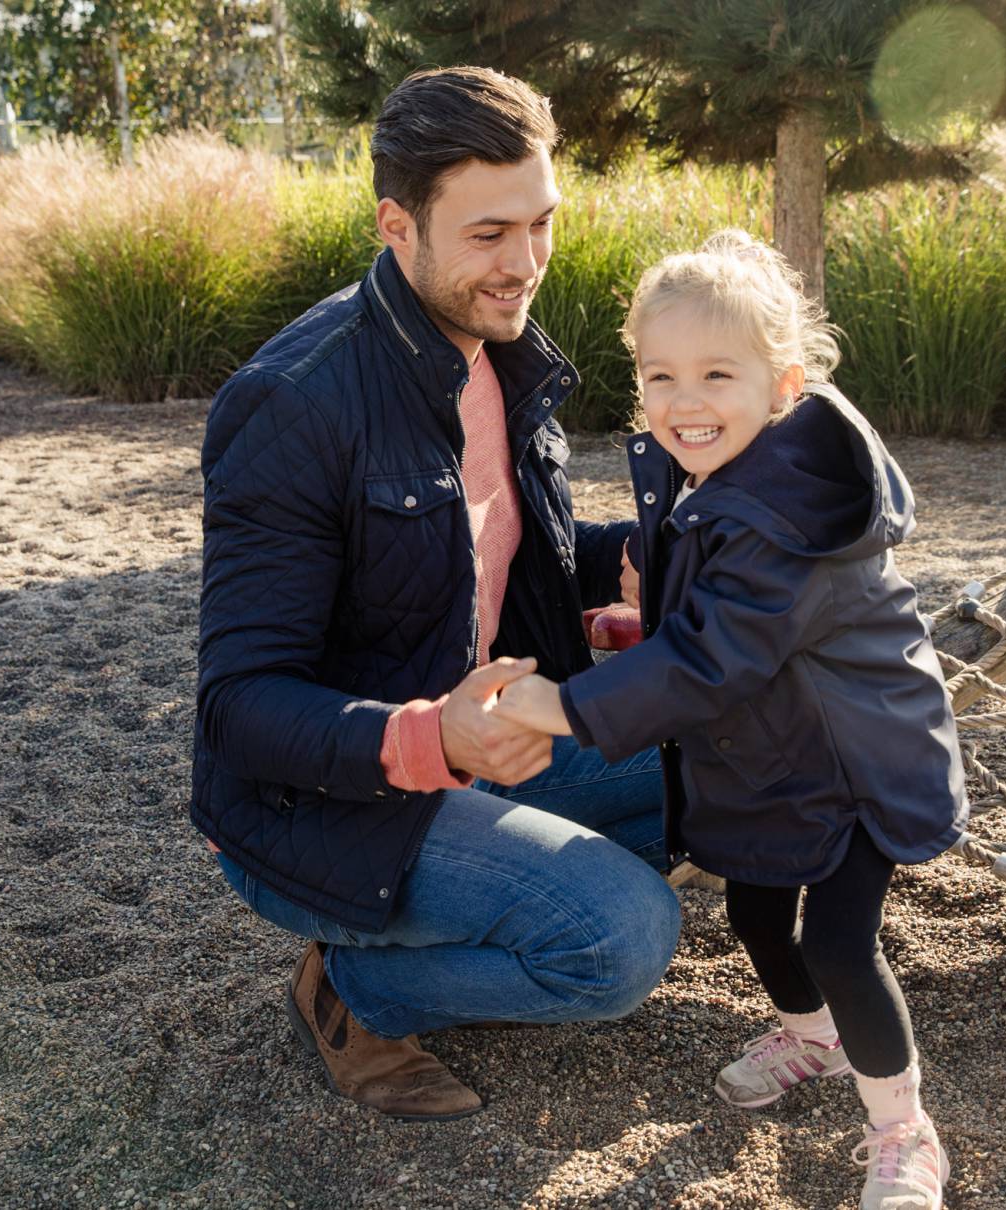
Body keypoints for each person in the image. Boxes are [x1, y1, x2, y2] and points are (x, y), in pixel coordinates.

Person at [191, 66, 680, 1123]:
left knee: (747, 739)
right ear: (395, 226)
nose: (525, 264)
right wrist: (437, 740)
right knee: (623, 936)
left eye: (541, 224)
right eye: (488, 234)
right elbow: (239, 707)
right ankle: (357, 988)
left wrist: (625, 571)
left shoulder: (499, 351)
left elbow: (499, 552)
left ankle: (497, 885)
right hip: (324, 811)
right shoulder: (292, 403)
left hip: (481, 745)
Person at [493, 230, 968, 1209]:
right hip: (779, 748)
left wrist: (567, 703)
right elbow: (710, 614)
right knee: (753, 907)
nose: (685, 401)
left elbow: (715, 656)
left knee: (839, 940)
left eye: (718, 373)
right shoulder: (712, 475)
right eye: (660, 375)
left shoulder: (793, 516)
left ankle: (902, 1128)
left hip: (856, 760)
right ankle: (814, 1038)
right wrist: (643, 612)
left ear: (782, 383)